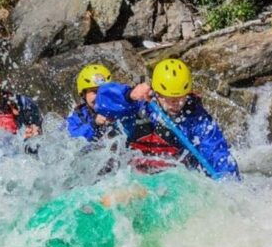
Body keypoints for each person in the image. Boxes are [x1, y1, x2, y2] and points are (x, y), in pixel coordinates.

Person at [95, 58, 240, 179]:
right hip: (129, 174)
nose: (175, 104)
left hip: (174, 181)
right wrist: (128, 95)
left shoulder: (197, 119)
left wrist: (229, 184)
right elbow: (102, 102)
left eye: (180, 98)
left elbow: (218, 155)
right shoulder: (139, 105)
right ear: (156, 93)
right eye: (169, 98)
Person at [66, 64, 122, 142]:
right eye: (95, 91)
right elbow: (68, 140)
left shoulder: (120, 105)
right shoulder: (77, 118)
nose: (100, 96)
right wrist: (94, 124)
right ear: (83, 95)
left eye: (104, 91)